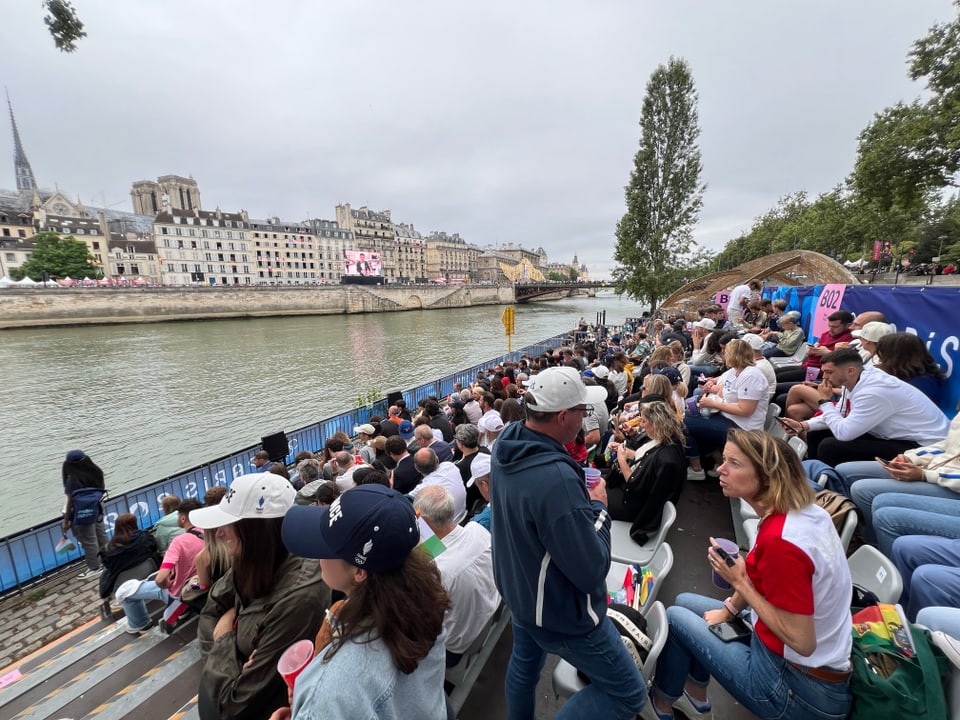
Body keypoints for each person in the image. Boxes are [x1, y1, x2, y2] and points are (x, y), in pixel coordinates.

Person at [649, 430, 853, 720]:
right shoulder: (802, 511)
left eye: (734, 463)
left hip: (798, 688)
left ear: (767, 476)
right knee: (684, 601)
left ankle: (660, 704)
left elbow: (802, 641)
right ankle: (695, 698)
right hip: (796, 662)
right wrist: (730, 608)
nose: (720, 468)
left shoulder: (782, 542)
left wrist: (739, 582)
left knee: (676, 618)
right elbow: (764, 576)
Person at [490, 366, 646, 719]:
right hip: (562, 614)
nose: (585, 417)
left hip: (520, 592)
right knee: (628, 694)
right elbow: (591, 569)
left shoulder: (509, 440)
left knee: (524, 668)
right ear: (563, 416)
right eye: (583, 410)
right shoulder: (555, 479)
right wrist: (598, 508)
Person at [276, 484, 449, 720]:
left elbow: (336, 695)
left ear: (359, 571)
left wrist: (307, 707)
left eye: (326, 548)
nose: (319, 557)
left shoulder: (330, 694)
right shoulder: (425, 600)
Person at [191, 473, 331, 720]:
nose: (220, 533)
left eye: (228, 523)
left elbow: (233, 705)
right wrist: (235, 661)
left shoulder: (299, 598)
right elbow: (212, 607)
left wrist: (223, 638)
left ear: (256, 531)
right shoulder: (253, 558)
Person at [780, 348, 950, 466]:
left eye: (829, 372)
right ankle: (815, 476)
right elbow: (840, 413)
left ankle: (832, 491)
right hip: (896, 435)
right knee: (817, 433)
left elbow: (844, 433)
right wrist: (804, 425)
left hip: (923, 445)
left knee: (830, 446)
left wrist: (824, 403)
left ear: (851, 370)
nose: (824, 377)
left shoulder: (873, 392)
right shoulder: (855, 378)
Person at [413, 485, 500, 668]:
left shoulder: (435, 572)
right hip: (487, 617)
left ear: (424, 520)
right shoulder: (478, 530)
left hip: (454, 648)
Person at [685, 339, 770, 480]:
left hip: (743, 428)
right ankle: (704, 466)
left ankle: (698, 467)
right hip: (726, 418)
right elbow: (722, 393)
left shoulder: (751, 376)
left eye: (727, 351)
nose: (723, 353)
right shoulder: (734, 372)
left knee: (685, 423)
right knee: (689, 418)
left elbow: (745, 410)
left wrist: (713, 404)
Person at [604, 401, 686, 543]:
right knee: (597, 481)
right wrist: (623, 451)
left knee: (592, 492)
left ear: (656, 423)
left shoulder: (667, 459)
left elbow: (635, 486)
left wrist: (622, 460)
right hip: (633, 498)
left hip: (633, 508)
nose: (641, 425)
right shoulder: (663, 441)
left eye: (643, 421)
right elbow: (643, 459)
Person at [119, 498, 205, 634]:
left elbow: (160, 579)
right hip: (201, 587)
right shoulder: (210, 532)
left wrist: (165, 583)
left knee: (124, 592)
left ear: (183, 518)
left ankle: (140, 624)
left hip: (181, 593)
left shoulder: (178, 543)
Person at [99, 512, 158, 615]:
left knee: (105, 573)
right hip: (149, 575)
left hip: (122, 586)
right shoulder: (145, 537)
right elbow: (154, 548)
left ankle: (106, 600)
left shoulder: (108, 550)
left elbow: (109, 568)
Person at [61, 449, 108, 579]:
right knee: (101, 534)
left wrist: (66, 520)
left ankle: (94, 567)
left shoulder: (72, 481)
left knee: (89, 540)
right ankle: (108, 561)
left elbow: (70, 501)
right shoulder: (97, 472)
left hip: (82, 511)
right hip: (97, 506)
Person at [875, 332, 947, 403]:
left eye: (885, 355)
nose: (881, 359)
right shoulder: (899, 373)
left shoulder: (923, 384)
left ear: (896, 357)